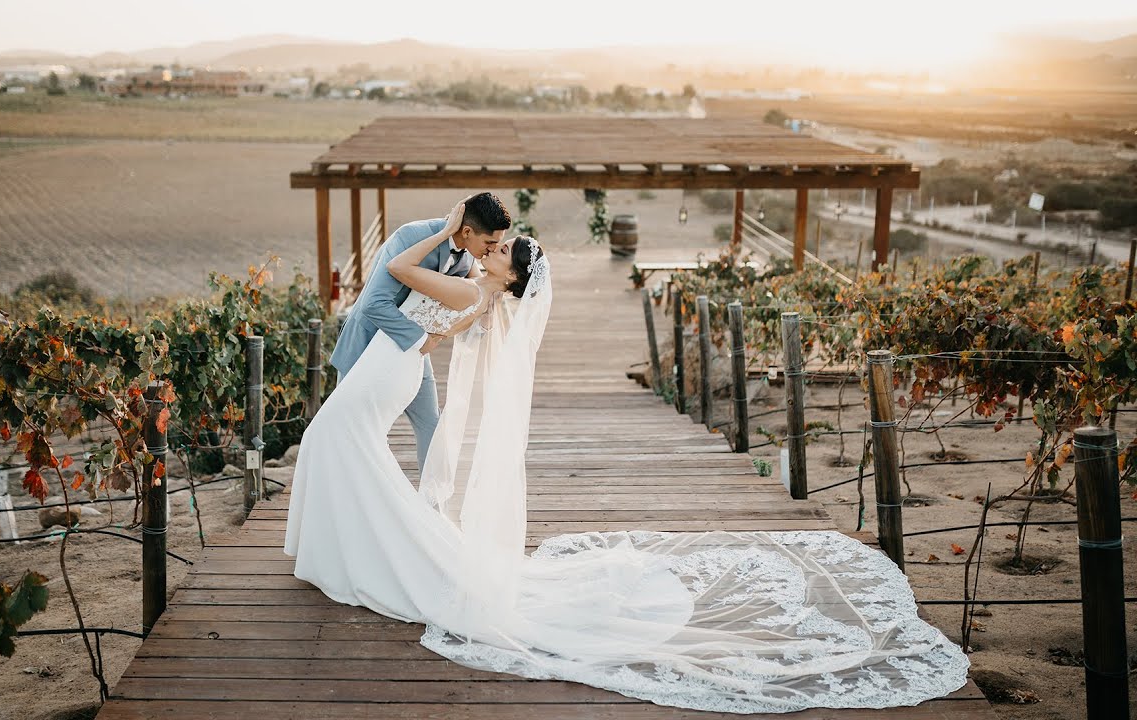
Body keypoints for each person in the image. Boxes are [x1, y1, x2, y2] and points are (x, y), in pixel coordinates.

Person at [284, 200, 967, 714]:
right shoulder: (483, 297)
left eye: (501, 251)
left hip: (389, 369)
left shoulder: (471, 290)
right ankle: (352, 546)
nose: (491, 251)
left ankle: (353, 550)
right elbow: (422, 316)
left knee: (332, 446)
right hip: (393, 369)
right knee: (344, 453)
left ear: (507, 272)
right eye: (492, 243)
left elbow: (399, 273)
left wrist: (448, 227)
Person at [327, 192, 511, 473]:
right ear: (467, 231)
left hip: (413, 353)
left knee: (430, 426)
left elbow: (475, 293)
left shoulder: (466, 257)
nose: (490, 250)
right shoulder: (411, 236)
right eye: (489, 243)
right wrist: (423, 340)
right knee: (349, 431)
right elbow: (374, 304)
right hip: (368, 348)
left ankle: (429, 503)